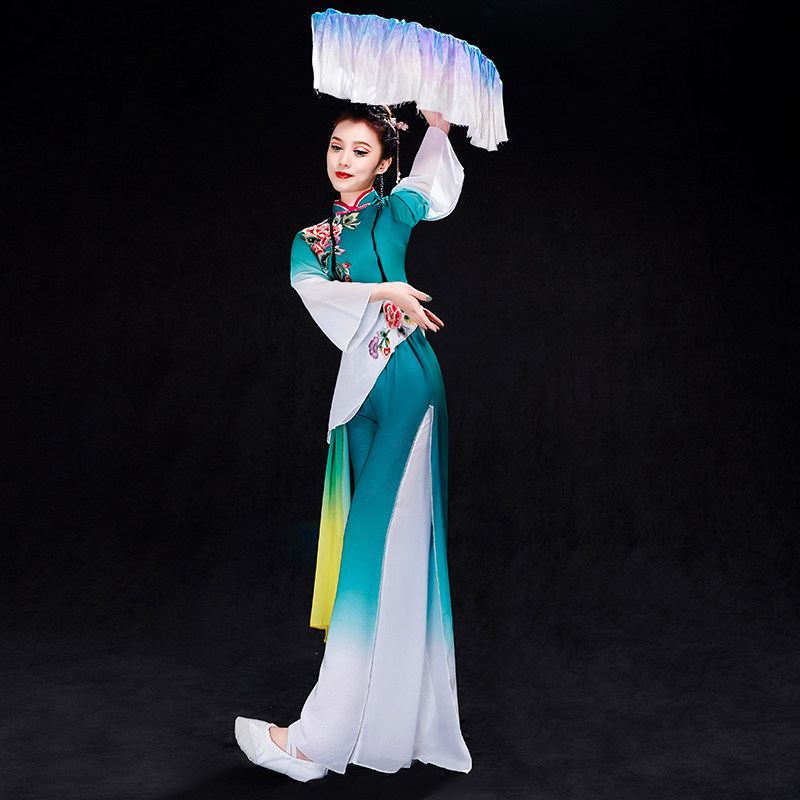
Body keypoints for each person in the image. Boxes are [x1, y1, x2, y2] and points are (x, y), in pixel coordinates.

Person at [235, 103, 471, 782]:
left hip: (407, 384)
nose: (344, 159)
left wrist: (437, 127)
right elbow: (310, 290)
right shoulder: (311, 238)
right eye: (337, 146)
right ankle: (380, 727)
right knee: (366, 558)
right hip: (359, 391)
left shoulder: (393, 211)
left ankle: (320, 741)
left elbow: (432, 184)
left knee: (377, 554)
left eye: (361, 151)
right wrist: (386, 288)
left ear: (384, 162)